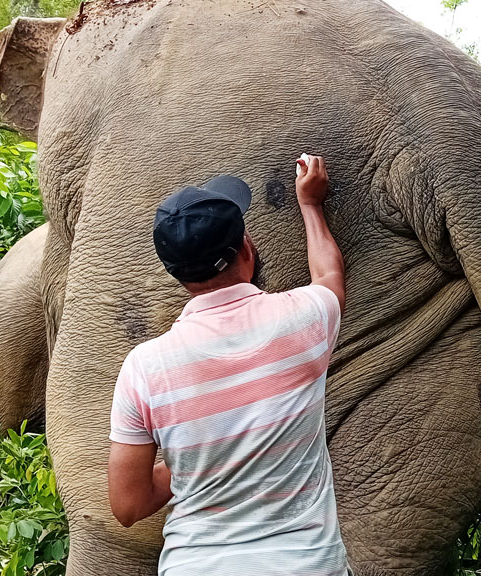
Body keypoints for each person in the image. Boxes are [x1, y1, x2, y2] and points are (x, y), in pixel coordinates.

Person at [106, 155, 350, 575]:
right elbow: (328, 277)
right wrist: (310, 205)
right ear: (247, 249)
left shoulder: (143, 368)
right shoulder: (304, 319)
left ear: (175, 273)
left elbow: (128, 505)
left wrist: (198, 465)